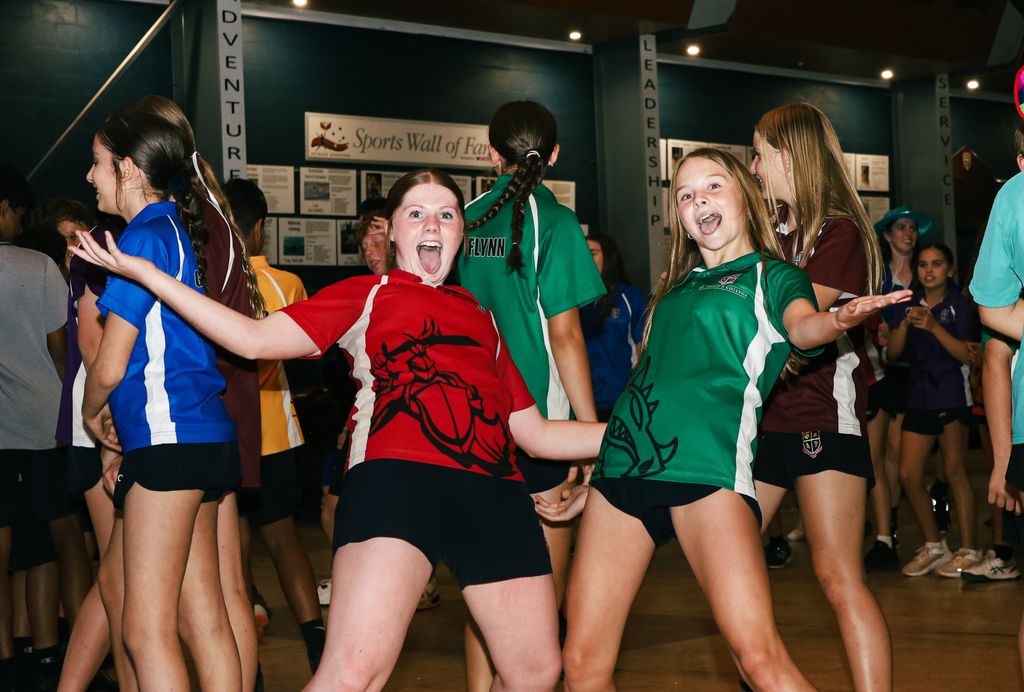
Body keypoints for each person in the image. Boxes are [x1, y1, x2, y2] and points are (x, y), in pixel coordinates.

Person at [74, 167, 609, 691]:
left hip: (493, 489)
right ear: (391, 231)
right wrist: (150, 276)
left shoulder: (484, 319)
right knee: (351, 674)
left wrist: (625, 432)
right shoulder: (367, 294)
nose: (432, 225)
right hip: (397, 482)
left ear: (460, 234)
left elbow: (536, 433)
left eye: (446, 215)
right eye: (416, 214)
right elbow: (253, 340)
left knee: (536, 672)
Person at [558, 147, 909, 692]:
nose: (699, 200)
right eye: (685, 195)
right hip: (622, 474)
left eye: (713, 186)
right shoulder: (672, 289)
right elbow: (648, 389)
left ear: (745, 197)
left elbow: (802, 328)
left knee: (758, 659)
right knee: (582, 667)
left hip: (711, 472)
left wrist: (837, 319)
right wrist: (597, 474)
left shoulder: (775, 276)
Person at [82, 106, 242, 690]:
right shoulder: (176, 227)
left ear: (127, 168)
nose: (90, 176)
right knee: (205, 621)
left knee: (144, 630)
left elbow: (110, 363)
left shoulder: (143, 237)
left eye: (97, 163)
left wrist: (90, 413)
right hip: (203, 436)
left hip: (169, 440)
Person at [458, 100, 605, 690]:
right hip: (540, 430)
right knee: (541, 601)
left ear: (490, 154)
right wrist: (589, 440)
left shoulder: (462, 220)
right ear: (556, 155)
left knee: (481, 590)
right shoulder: (559, 223)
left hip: (468, 429)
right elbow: (565, 337)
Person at [747, 103, 892, 691]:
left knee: (837, 576)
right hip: (761, 421)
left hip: (822, 417)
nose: (753, 168)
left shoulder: (839, 231)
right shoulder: (767, 226)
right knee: (729, 564)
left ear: (788, 156)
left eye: (759, 154)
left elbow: (797, 317)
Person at [223, 177, 326, 672]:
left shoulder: (205, 283)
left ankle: (247, 657)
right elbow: (306, 351)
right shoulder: (287, 284)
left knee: (231, 543)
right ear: (260, 226)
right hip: (276, 434)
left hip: (226, 434)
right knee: (284, 538)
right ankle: (317, 642)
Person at [0, 165, 75, 691]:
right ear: (5, 208)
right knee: (51, 543)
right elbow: (59, 350)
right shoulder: (39, 266)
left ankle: (6, 661)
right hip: (46, 427)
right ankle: (48, 656)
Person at [889, 243, 980, 577]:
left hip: (953, 395)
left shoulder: (961, 306)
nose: (929, 271)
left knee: (954, 471)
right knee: (908, 474)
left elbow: (968, 355)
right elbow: (893, 354)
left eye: (937, 264)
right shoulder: (909, 303)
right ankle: (935, 545)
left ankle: (968, 548)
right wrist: (903, 326)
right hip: (919, 397)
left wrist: (933, 327)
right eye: (923, 265)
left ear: (950, 270)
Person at [971, 144, 1024, 670]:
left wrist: (1006, 459)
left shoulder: (1011, 199)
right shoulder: (1013, 201)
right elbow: (993, 357)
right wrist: (1003, 459)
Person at [864, 204, 934, 571]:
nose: (908, 233)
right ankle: (884, 535)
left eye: (912, 228)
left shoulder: (927, 273)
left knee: (900, 457)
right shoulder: (876, 275)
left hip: (920, 375)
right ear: (888, 235)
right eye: (901, 227)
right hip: (882, 372)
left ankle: (899, 529)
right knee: (876, 457)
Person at [580, 232, 646, 421]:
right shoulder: (574, 299)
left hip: (620, 400)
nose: (586, 259)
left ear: (608, 257)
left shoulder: (629, 296)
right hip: (582, 401)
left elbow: (642, 348)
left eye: (592, 253)